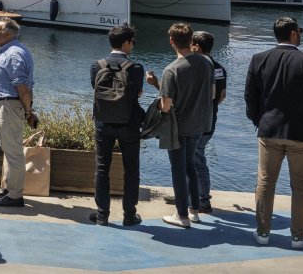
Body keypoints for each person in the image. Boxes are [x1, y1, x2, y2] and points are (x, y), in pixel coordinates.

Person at [245, 17, 303, 249]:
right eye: (300, 31)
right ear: (293, 34)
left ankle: (263, 233)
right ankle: (298, 237)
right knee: (302, 186)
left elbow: (249, 97)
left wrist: (260, 120)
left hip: (269, 131)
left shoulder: (258, 59)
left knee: (265, 183)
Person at [146, 22, 213, 229]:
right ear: (191, 40)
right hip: (200, 124)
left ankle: (181, 215)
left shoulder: (171, 70)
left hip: (178, 127)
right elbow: (211, 94)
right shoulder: (207, 63)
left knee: (178, 168)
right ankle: (194, 211)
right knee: (190, 165)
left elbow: (166, 107)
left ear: (171, 41)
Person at [88, 24, 145, 227]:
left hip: (104, 123)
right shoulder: (136, 68)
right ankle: (129, 215)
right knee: (131, 168)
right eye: (133, 42)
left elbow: (96, 89)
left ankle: (102, 214)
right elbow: (138, 94)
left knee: (102, 167)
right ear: (126, 43)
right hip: (129, 124)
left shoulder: (97, 66)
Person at [0, 18, 35, 208]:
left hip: (9, 105)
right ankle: (9, 188)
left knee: (13, 152)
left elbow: (22, 87)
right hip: (7, 105)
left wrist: (29, 111)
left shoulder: (13, 54)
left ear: (8, 34)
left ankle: (15, 195)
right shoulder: (11, 50)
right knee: (9, 148)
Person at [190, 30, 225, 214]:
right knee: (196, 158)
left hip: (196, 123)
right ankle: (190, 194)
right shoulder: (220, 68)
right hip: (211, 121)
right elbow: (221, 96)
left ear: (196, 46)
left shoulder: (196, 67)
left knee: (196, 160)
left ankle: (202, 200)